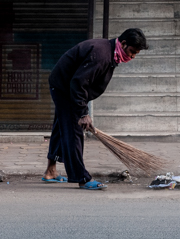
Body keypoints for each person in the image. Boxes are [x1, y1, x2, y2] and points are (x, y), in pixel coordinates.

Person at [41, 28, 148, 190]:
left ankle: (50, 171)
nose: (132, 57)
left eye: (136, 54)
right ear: (124, 43)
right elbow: (78, 83)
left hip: (66, 86)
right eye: (132, 52)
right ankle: (82, 178)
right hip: (65, 88)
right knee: (73, 132)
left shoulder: (111, 51)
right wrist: (83, 113)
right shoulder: (102, 55)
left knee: (61, 127)